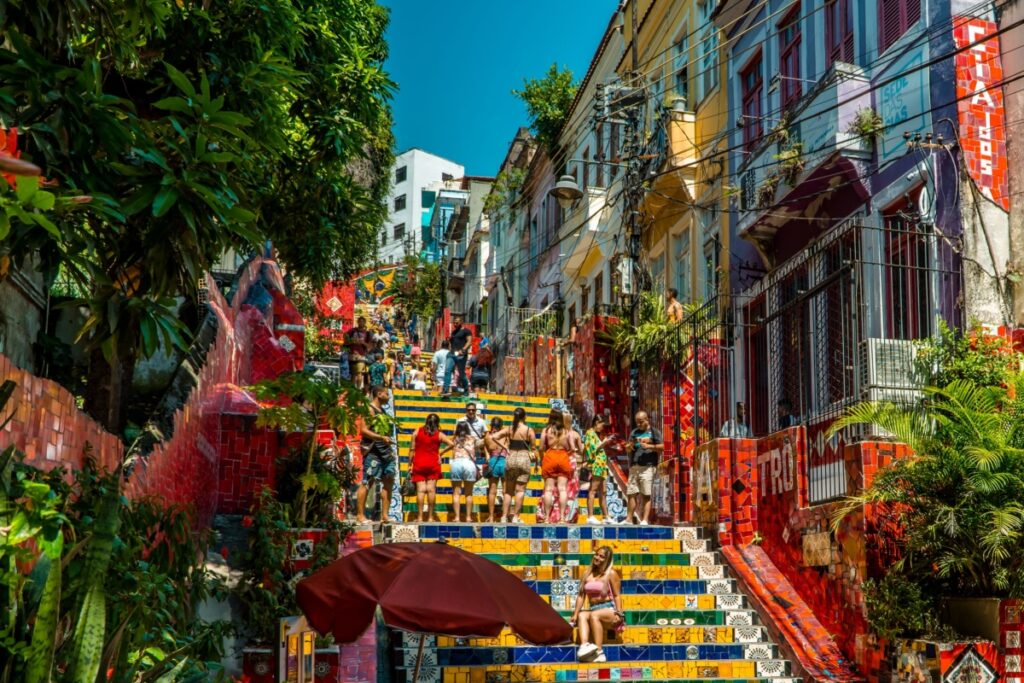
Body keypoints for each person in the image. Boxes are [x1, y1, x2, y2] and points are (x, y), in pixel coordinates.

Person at [570, 546, 623, 663]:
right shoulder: (587, 574)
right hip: (594, 608)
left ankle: (599, 652)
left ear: (607, 560)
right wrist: (575, 614)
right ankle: (584, 646)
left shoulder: (611, 574)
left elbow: (617, 595)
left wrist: (619, 614)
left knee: (594, 615)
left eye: (601, 556)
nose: (597, 557)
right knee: (582, 615)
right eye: (596, 554)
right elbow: (581, 596)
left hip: (609, 609)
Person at [355, 385, 395, 524]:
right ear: (379, 394)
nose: (389, 397)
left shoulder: (382, 411)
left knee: (389, 480)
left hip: (386, 452)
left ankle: (385, 516)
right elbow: (364, 430)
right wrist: (380, 438)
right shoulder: (369, 409)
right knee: (368, 481)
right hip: (373, 452)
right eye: (386, 394)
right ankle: (360, 516)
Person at [410, 413, 454, 522]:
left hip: (418, 463)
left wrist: (409, 464)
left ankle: (420, 517)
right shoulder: (439, 434)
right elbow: (452, 444)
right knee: (431, 490)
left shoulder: (417, 432)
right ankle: (430, 517)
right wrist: (441, 453)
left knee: (420, 491)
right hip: (433, 463)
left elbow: (412, 450)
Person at [625, 411, 663, 526]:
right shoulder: (634, 432)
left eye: (641, 422)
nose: (639, 424)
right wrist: (629, 447)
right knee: (632, 493)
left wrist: (649, 446)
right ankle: (629, 519)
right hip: (635, 467)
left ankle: (645, 520)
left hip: (648, 467)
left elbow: (662, 447)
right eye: (637, 422)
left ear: (647, 420)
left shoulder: (654, 432)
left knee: (646, 494)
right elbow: (628, 447)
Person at [503, 407, 536, 523]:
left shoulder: (510, 429)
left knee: (508, 490)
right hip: (523, 458)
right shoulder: (528, 430)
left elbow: (494, 437)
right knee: (520, 490)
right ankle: (516, 517)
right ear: (524, 417)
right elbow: (533, 448)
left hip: (511, 458)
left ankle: (503, 516)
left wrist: (505, 448)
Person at [540, 409, 574, 523]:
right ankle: (562, 518)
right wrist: (566, 453)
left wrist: (542, 457)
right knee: (562, 489)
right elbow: (573, 448)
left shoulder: (547, 430)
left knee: (548, 490)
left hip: (550, 456)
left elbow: (541, 447)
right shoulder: (567, 431)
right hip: (563, 457)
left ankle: (546, 518)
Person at [582, 415, 614, 525]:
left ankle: (606, 516)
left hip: (602, 465)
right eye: (601, 425)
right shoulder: (590, 433)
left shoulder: (595, 434)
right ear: (596, 423)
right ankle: (590, 516)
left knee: (603, 491)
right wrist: (603, 443)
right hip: (597, 465)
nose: (602, 428)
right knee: (593, 490)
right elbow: (591, 450)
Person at [448, 422, 480, 522]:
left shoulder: (454, 439)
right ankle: (468, 517)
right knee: (469, 493)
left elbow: (447, 447)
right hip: (469, 464)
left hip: (456, 463)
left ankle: (457, 517)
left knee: (456, 493)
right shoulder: (473, 439)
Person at [483, 417, 510, 523]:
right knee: (505, 491)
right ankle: (505, 516)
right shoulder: (505, 435)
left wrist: (487, 456)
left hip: (493, 461)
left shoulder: (488, 436)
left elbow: (485, 446)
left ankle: (491, 516)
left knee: (492, 491)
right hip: (504, 461)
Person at [443, 316, 473, 396]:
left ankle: (466, 390)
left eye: (457, 322)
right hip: (452, 354)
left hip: (461, 355)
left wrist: (463, 350)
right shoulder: (453, 332)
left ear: (461, 322)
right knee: (447, 370)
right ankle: (445, 389)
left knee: (461, 373)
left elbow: (469, 342)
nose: (455, 324)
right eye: (454, 322)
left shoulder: (466, 331)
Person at [345, 317, 370, 389]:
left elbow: (369, 346)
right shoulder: (352, 331)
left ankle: (358, 388)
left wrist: (363, 342)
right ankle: (352, 389)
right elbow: (345, 341)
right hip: (352, 355)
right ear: (358, 322)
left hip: (361, 355)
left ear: (365, 323)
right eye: (360, 321)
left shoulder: (367, 333)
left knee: (359, 373)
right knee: (353, 373)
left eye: (362, 321)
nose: (361, 323)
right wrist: (351, 341)